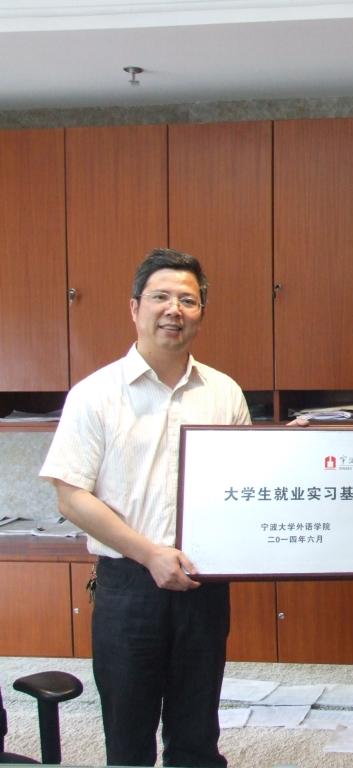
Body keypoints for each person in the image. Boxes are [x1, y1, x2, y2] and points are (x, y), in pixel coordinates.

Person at [39, 248, 251, 768]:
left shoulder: (224, 393)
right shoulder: (94, 394)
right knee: (128, 739)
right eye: (160, 297)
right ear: (135, 308)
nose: (174, 309)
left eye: (188, 300)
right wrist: (150, 554)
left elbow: (243, 484)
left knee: (197, 734)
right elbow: (70, 495)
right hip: (128, 586)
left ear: (201, 313)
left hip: (204, 583)